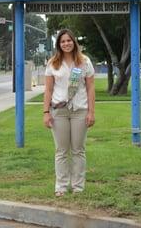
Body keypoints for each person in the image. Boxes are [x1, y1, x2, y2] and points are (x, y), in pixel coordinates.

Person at [43, 28, 95, 197]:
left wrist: (91, 112)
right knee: (61, 150)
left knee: (78, 150)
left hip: (80, 109)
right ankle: (61, 187)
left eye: (69, 40)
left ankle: (78, 187)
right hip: (59, 111)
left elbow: (90, 87)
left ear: (74, 42)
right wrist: (46, 112)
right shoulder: (53, 63)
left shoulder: (84, 62)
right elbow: (48, 90)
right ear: (59, 44)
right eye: (62, 41)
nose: (66, 44)